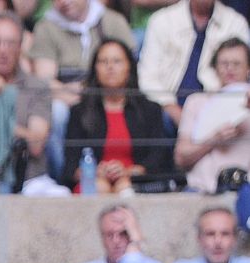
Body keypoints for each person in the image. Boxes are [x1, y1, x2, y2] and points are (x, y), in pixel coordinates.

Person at [30, 0, 135, 181]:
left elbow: (128, 68)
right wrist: (74, 96)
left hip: (106, 97)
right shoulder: (46, 27)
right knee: (57, 112)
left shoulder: (113, 22)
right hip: (65, 99)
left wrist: (90, 95)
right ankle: (62, 177)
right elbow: (44, 80)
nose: (64, 2)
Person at [63, 40, 170, 193]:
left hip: (135, 181)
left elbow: (158, 159)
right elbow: (70, 166)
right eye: (103, 62)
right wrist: (93, 171)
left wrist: (129, 171)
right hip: (93, 181)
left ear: (129, 67)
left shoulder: (150, 110)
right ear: (95, 69)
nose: (110, 67)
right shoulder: (79, 112)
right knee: (100, 186)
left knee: (124, 187)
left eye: (117, 61)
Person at [0, 12, 52, 193]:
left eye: (10, 43)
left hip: (29, 181)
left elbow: (36, 144)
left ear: (20, 48)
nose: (3, 50)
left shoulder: (37, 86)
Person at [138, 0, 249, 132]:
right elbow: (147, 78)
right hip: (167, 109)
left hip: (218, 109)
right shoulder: (162, 21)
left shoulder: (235, 23)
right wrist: (175, 111)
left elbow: (242, 75)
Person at [175, 37, 250, 193]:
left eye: (236, 64)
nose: (230, 68)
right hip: (201, 188)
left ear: (248, 68)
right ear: (215, 67)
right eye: (224, 63)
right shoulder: (196, 102)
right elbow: (181, 158)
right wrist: (214, 139)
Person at [66, 204, 167, 263]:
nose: (116, 241)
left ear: (134, 233)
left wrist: (135, 243)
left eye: (123, 233)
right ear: (102, 238)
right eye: (109, 235)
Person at [166, 205, 250, 263]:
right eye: (210, 234)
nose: (217, 241)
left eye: (225, 234)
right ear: (199, 238)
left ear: (235, 238)